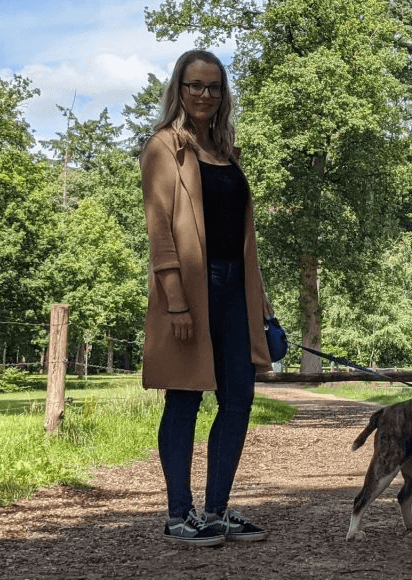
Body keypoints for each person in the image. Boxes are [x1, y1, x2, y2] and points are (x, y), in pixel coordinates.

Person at [139, 50, 274, 547]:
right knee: (185, 396)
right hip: (190, 292)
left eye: (214, 87)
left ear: (223, 95)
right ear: (180, 88)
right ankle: (179, 515)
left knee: (238, 398)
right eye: (195, 85)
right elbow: (161, 232)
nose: (204, 94)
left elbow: (240, 236)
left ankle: (215, 511)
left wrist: (260, 302)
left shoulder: (225, 152)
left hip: (235, 289)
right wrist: (175, 300)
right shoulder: (163, 148)